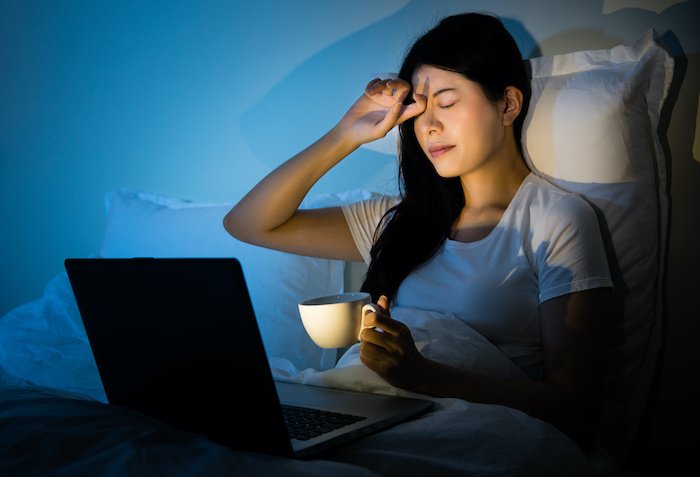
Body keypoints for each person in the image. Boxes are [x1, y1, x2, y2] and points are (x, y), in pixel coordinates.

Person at [223, 12, 612, 452]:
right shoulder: (398, 221)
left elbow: (576, 407)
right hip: (365, 412)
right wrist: (345, 134)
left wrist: (425, 375)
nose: (428, 126)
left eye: (446, 103)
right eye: (421, 111)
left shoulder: (557, 219)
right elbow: (246, 223)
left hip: (468, 432)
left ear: (507, 105)